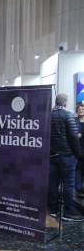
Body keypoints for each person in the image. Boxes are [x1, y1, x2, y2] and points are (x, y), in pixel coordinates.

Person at [48, 94, 84, 222]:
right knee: (68, 184)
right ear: (65, 104)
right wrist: (78, 152)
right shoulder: (68, 115)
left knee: (52, 182)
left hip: (51, 155)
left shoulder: (48, 115)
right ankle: (68, 212)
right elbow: (74, 137)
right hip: (67, 156)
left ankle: (53, 210)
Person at [75, 104, 84, 199]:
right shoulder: (74, 121)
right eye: (79, 109)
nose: (81, 110)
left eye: (83, 109)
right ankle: (78, 189)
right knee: (78, 169)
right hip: (77, 148)